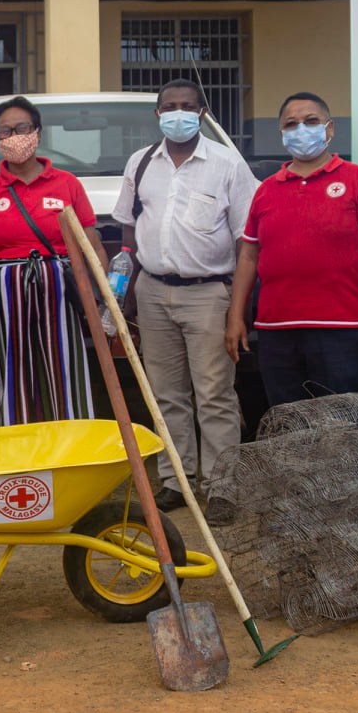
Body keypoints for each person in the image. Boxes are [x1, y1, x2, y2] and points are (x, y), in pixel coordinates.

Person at [113, 79, 258, 515]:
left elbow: (246, 240)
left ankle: (221, 487)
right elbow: (127, 233)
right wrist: (125, 295)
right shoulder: (140, 162)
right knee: (165, 395)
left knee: (214, 393)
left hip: (208, 293)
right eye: (170, 106)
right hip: (152, 291)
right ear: (157, 114)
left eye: (188, 106)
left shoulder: (228, 164)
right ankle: (175, 481)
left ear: (203, 113)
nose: (179, 114)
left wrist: (238, 309)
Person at [226, 91, 358, 405]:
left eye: (311, 121)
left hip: (341, 328)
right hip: (276, 329)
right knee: (288, 420)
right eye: (291, 124)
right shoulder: (266, 190)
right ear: (281, 132)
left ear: (329, 128)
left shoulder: (357, 179)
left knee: (344, 419)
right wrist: (236, 316)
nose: (301, 129)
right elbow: (249, 257)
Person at [0, 97, 104, 425]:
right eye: (5, 130)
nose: (14, 136)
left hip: (60, 290)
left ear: (37, 131)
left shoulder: (67, 184)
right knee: (12, 376)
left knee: (67, 371)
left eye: (22, 128)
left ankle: (73, 443)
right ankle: (20, 446)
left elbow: (93, 248)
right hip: (5, 293)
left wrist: (102, 304)